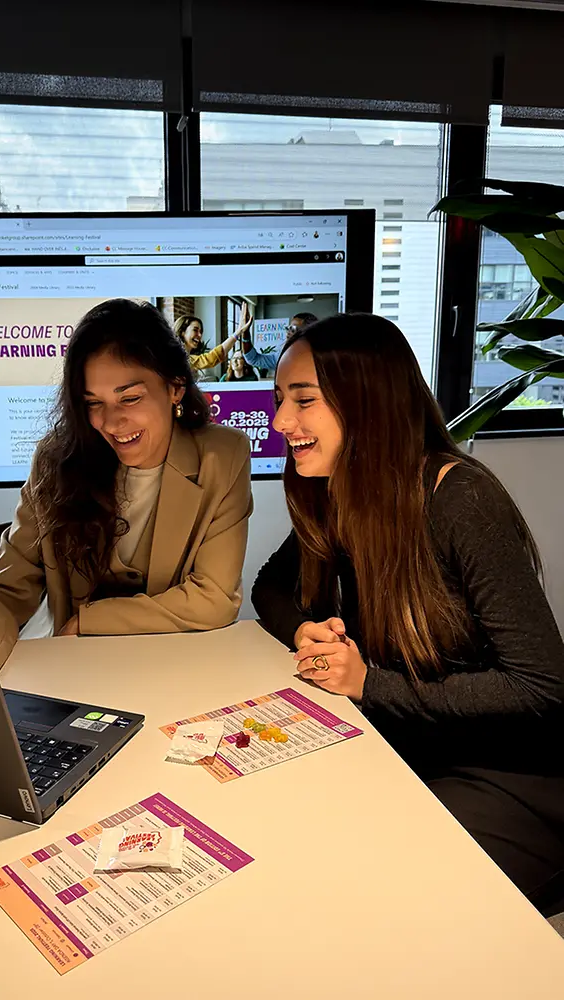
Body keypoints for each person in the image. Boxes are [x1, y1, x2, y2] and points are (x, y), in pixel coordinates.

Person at [252, 312, 564, 914]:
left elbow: (543, 684)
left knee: (372, 897)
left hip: (514, 775)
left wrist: (370, 683)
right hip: (411, 744)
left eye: (303, 401)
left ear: (366, 402)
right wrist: (303, 628)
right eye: (278, 400)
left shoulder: (458, 498)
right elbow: (271, 585)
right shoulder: (340, 490)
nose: (281, 422)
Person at [0, 298, 252, 668]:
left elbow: (214, 597)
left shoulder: (223, 456)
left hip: (172, 664)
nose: (111, 422)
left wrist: (90, 621)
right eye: (93, 403)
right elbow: (7, 585)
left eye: (131, 398)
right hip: (73, 667)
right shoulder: (56, 460)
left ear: (175, 388)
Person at [174, 309, 253, 375]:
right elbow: (212, 358)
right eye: (195, 330)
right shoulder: (177, 357)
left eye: (201, 331)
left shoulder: (187, 358)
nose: (199, 335)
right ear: (182, 332)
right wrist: (238, 331)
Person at [242, 310, 317, 375]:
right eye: (288, 328)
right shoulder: (281, 355)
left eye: (293, 328)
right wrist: (245, 332)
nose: (288, 332)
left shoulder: (322, 355)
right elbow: (253, 359)